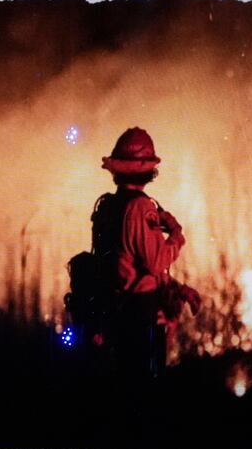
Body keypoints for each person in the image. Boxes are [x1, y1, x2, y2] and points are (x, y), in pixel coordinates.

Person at [68, 127, 201, 376]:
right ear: (148, 169)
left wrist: (177, 289)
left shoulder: (108, 206)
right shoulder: (141, 208)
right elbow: (155, 262)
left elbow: (125, 261)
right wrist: (175, 234)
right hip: (140, 314)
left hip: (117, 310)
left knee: (126, 386)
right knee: (146, 384)